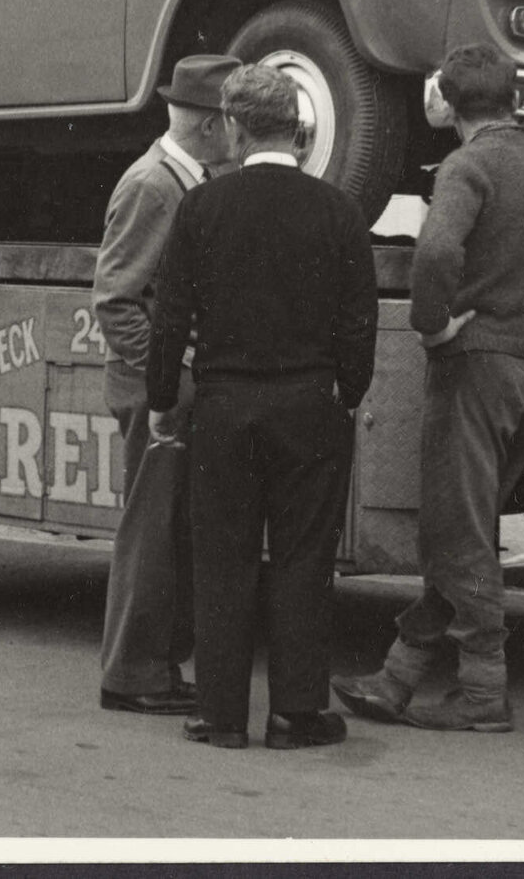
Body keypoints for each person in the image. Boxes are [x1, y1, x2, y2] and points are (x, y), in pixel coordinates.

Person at [333, 44, 524, 734]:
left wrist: (434, 325)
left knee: (456, 537)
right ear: (510, 98)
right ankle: (398, 678)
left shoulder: (468, 166)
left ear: (451, 106)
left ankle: (483, 692)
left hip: (472, 370)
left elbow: (435, 253)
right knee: (464, 531)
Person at [147, 64, 378, 750]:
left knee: (222, 558)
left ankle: (218, 714)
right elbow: (358, 320)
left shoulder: (202, 209)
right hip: (309, 406)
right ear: (300, 130)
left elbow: (170, 318)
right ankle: (295, 713)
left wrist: (164, 400)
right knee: (304, 559)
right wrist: (349, 391)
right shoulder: (339, 211)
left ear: (237, 129)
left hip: (223, 407)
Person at [94, 54, 240, 716]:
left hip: (163, 386)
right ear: (212, 125)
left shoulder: (180, 180)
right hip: (157, 391)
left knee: (168, 533)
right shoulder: (155, 186)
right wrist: (169, 383)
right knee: (152, 535)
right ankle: (132, 673)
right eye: (234, 121)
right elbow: (116, 300)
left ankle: (152, 666)